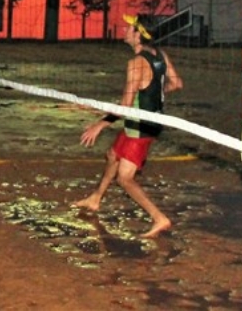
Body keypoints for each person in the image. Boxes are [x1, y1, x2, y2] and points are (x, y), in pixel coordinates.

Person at [73, 13, 183, 238]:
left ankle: (159, 218)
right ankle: (96, 198)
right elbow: (176, 83)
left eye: (130, 27)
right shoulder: (161, 54)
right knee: (112, 155)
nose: (124, 29)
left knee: (125, 178)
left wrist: (100, 124)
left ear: (138, 35)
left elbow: (124, 106)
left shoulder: (136, 63)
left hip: (140, 127)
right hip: (149, 120)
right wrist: (152, 94)